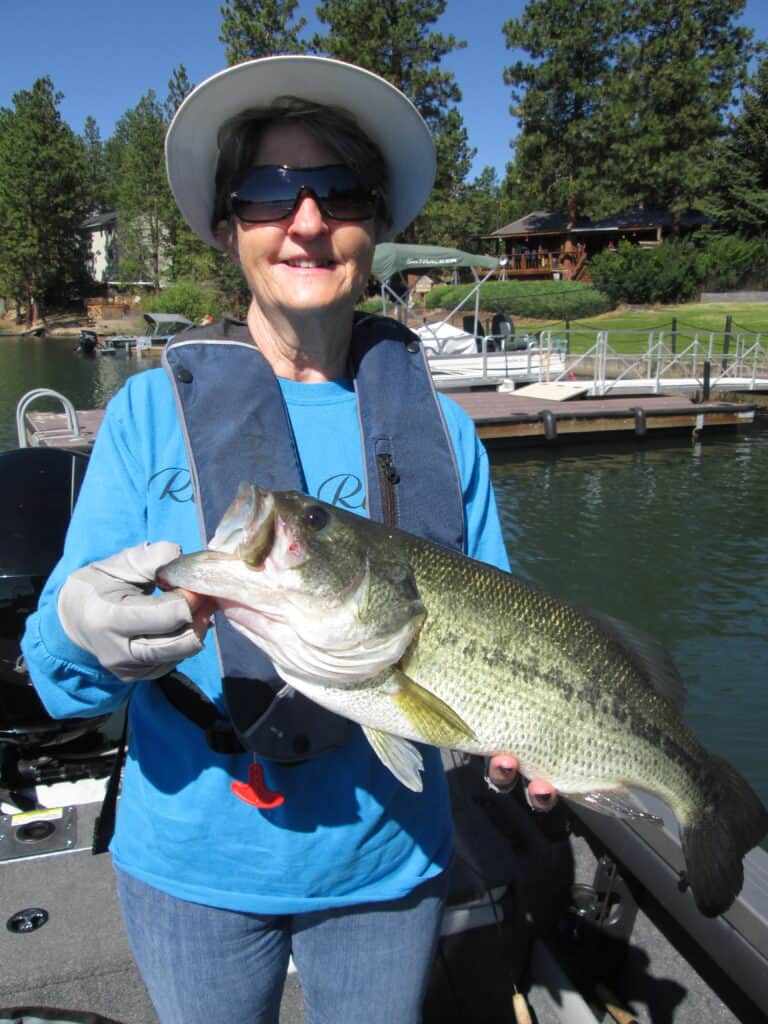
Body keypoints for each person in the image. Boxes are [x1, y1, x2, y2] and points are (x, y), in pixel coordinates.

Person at [21, 55, 555, 1024]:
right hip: (191, 866)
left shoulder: (448, 430)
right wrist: (73, 625)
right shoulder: (145, 417)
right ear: (229, 226)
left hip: (391, 864)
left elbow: (503, 643)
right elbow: (59, 678)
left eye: (339, 189)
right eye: (270, 192)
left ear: (377, 224)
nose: (306, 219)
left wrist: (531, 744)